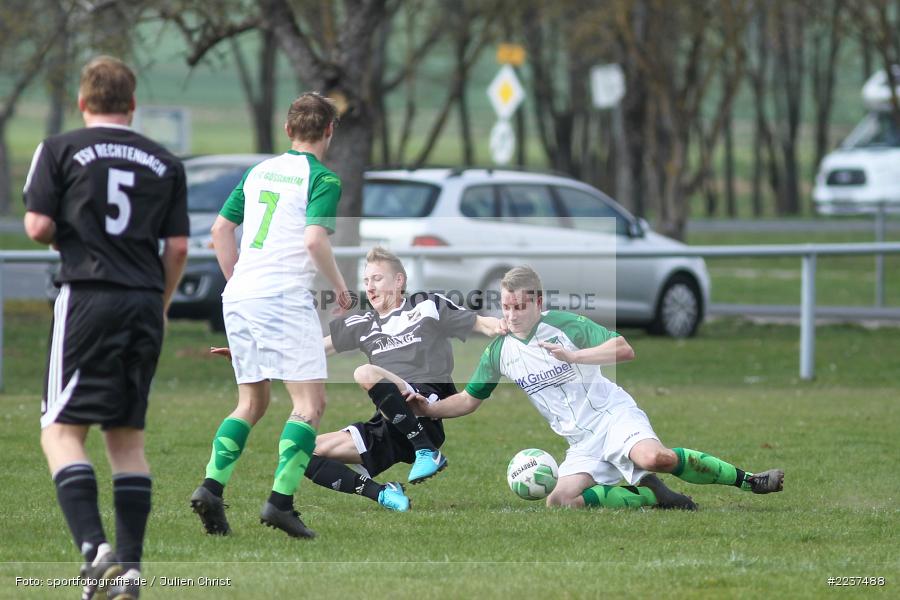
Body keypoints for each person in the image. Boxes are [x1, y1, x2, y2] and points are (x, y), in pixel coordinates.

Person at [409, 266, 784, 511]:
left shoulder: (565, 324)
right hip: (581, 442)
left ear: (538, 302)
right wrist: (427, 409)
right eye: (505, 307)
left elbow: (625, 348)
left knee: (657, 460)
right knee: (560, 501)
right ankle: (651, 496)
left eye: (519, 306)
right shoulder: (500, 351)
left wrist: (575, 357)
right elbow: (468, 401)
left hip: (613, 416)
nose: (510, 315)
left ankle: (750, 481)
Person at [23, 56, 189, 600]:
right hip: (143, 300)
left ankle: (97, 553)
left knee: (60, 430)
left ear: (82, 102)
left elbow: (39, 224)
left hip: (88, 298)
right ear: (133, 104)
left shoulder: (60, 149)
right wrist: (160, 302)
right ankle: (132, 571)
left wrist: (71, 234)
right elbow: (179, 246)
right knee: (127, 439)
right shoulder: (165, 160)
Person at [206, 247, 507, 521]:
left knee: (365, 373)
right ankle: (383, 493)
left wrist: (500, 326)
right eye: (367, 280)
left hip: (425, 406)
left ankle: (426, 450)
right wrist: (252, 354)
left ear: (399, 280)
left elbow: (480, 322)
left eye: (378, 278)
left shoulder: (426, 305)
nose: (371, 286)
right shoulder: (362, 323)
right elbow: (308, 351)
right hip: (389, 423)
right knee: (303, 452)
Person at [190, 92, 351, 540]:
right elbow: (314, 240)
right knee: (310, 405)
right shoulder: (322, 178)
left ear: (287, 130)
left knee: (252, 402)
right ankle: (280, 503)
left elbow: (221, 230)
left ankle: (211, 488)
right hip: (282, 295)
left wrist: (239, 285)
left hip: (240, 294)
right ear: (329, 131)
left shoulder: (259, 171)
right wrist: (341, 289)